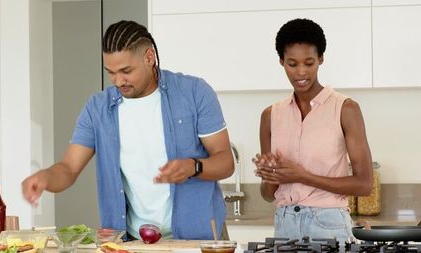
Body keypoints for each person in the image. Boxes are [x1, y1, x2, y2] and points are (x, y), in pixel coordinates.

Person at [22, 20, 234, 240]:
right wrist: (46, 177)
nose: (118, 80)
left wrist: (194, 166)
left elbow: (226, 162)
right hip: (132, 241)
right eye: (111, 72)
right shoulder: (98, 109)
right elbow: (68, 168)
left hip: (199, 239)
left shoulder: (195, 93)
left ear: (149, 57)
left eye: (126, 71)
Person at [252, 18, 373, 243]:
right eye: (292, 63)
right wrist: (270, 176)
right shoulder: (270, 115)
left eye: (309, 63)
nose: (300, 72)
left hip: (329, 225)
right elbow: (268, 195)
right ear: (281, 61)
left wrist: (303, 176)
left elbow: (365, 185)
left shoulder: (345, 109)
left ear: (321, 59)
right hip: (284, 225)